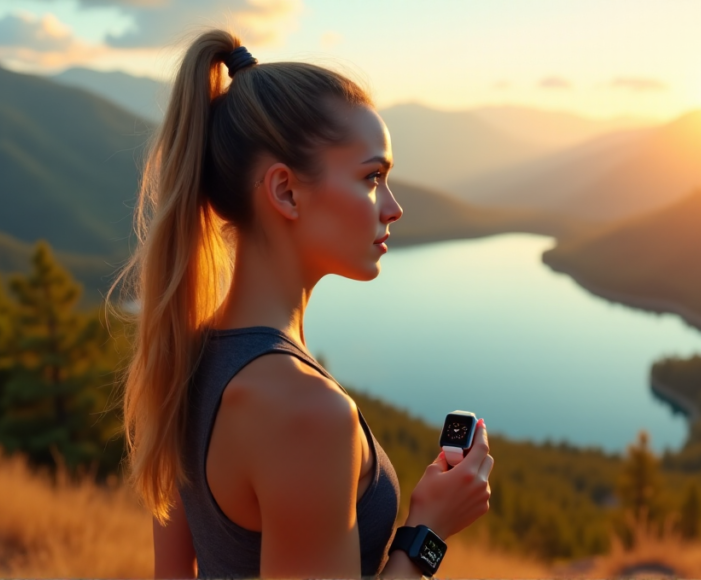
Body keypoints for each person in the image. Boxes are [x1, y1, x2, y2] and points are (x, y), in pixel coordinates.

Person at [109, 29, 493, 578]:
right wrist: (428, 531)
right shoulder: (306, 413)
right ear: (285, 191)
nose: (393, 207)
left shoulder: (183, 361)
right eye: (373, 177)